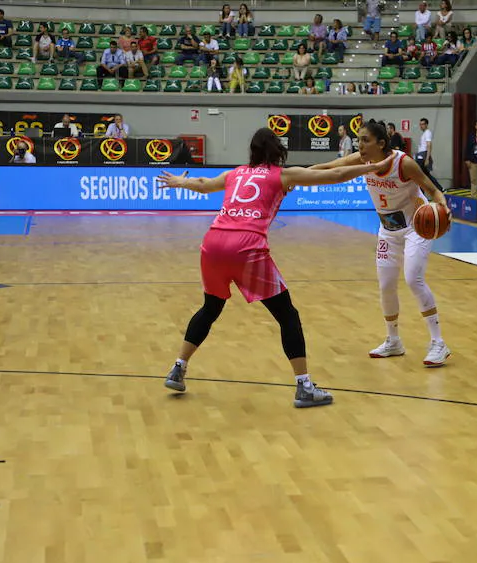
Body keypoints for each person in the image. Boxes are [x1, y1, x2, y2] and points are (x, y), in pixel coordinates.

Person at [157, 128, 394, 406]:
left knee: (211, 307)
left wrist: (178, 182)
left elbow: (202, 183)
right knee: (287, 315)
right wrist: (376, 166)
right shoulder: (282, 175)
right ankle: (304, 386)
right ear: (277, 150)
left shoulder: (235, 174)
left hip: (212, 243)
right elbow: (335, 176)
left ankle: (178, 367)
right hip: (246, 247)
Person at [309, 120, 452, 367]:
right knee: (386, 285)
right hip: (388, 230)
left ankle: (438, 342)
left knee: (412, 279)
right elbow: (330, 168)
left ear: (381, 143)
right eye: (358, 140)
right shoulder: (362, 161)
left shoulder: (403, 162)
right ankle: (393, 340)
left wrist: (443, 206)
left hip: (414, 228)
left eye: (365, 140)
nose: (360, 145)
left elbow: (431, 188)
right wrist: (292, 177)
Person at [415, 118, 442, 191]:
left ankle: (438, 188)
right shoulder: (424, 133)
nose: (421, 126)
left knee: (422, 175)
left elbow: (429, 145)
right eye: (420, 124)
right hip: (421, 156)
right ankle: (439, 188)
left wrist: (427, 159)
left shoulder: (427, 133)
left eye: (423, 124)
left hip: (422, 158)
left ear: (426, 125)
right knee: (425, 175)